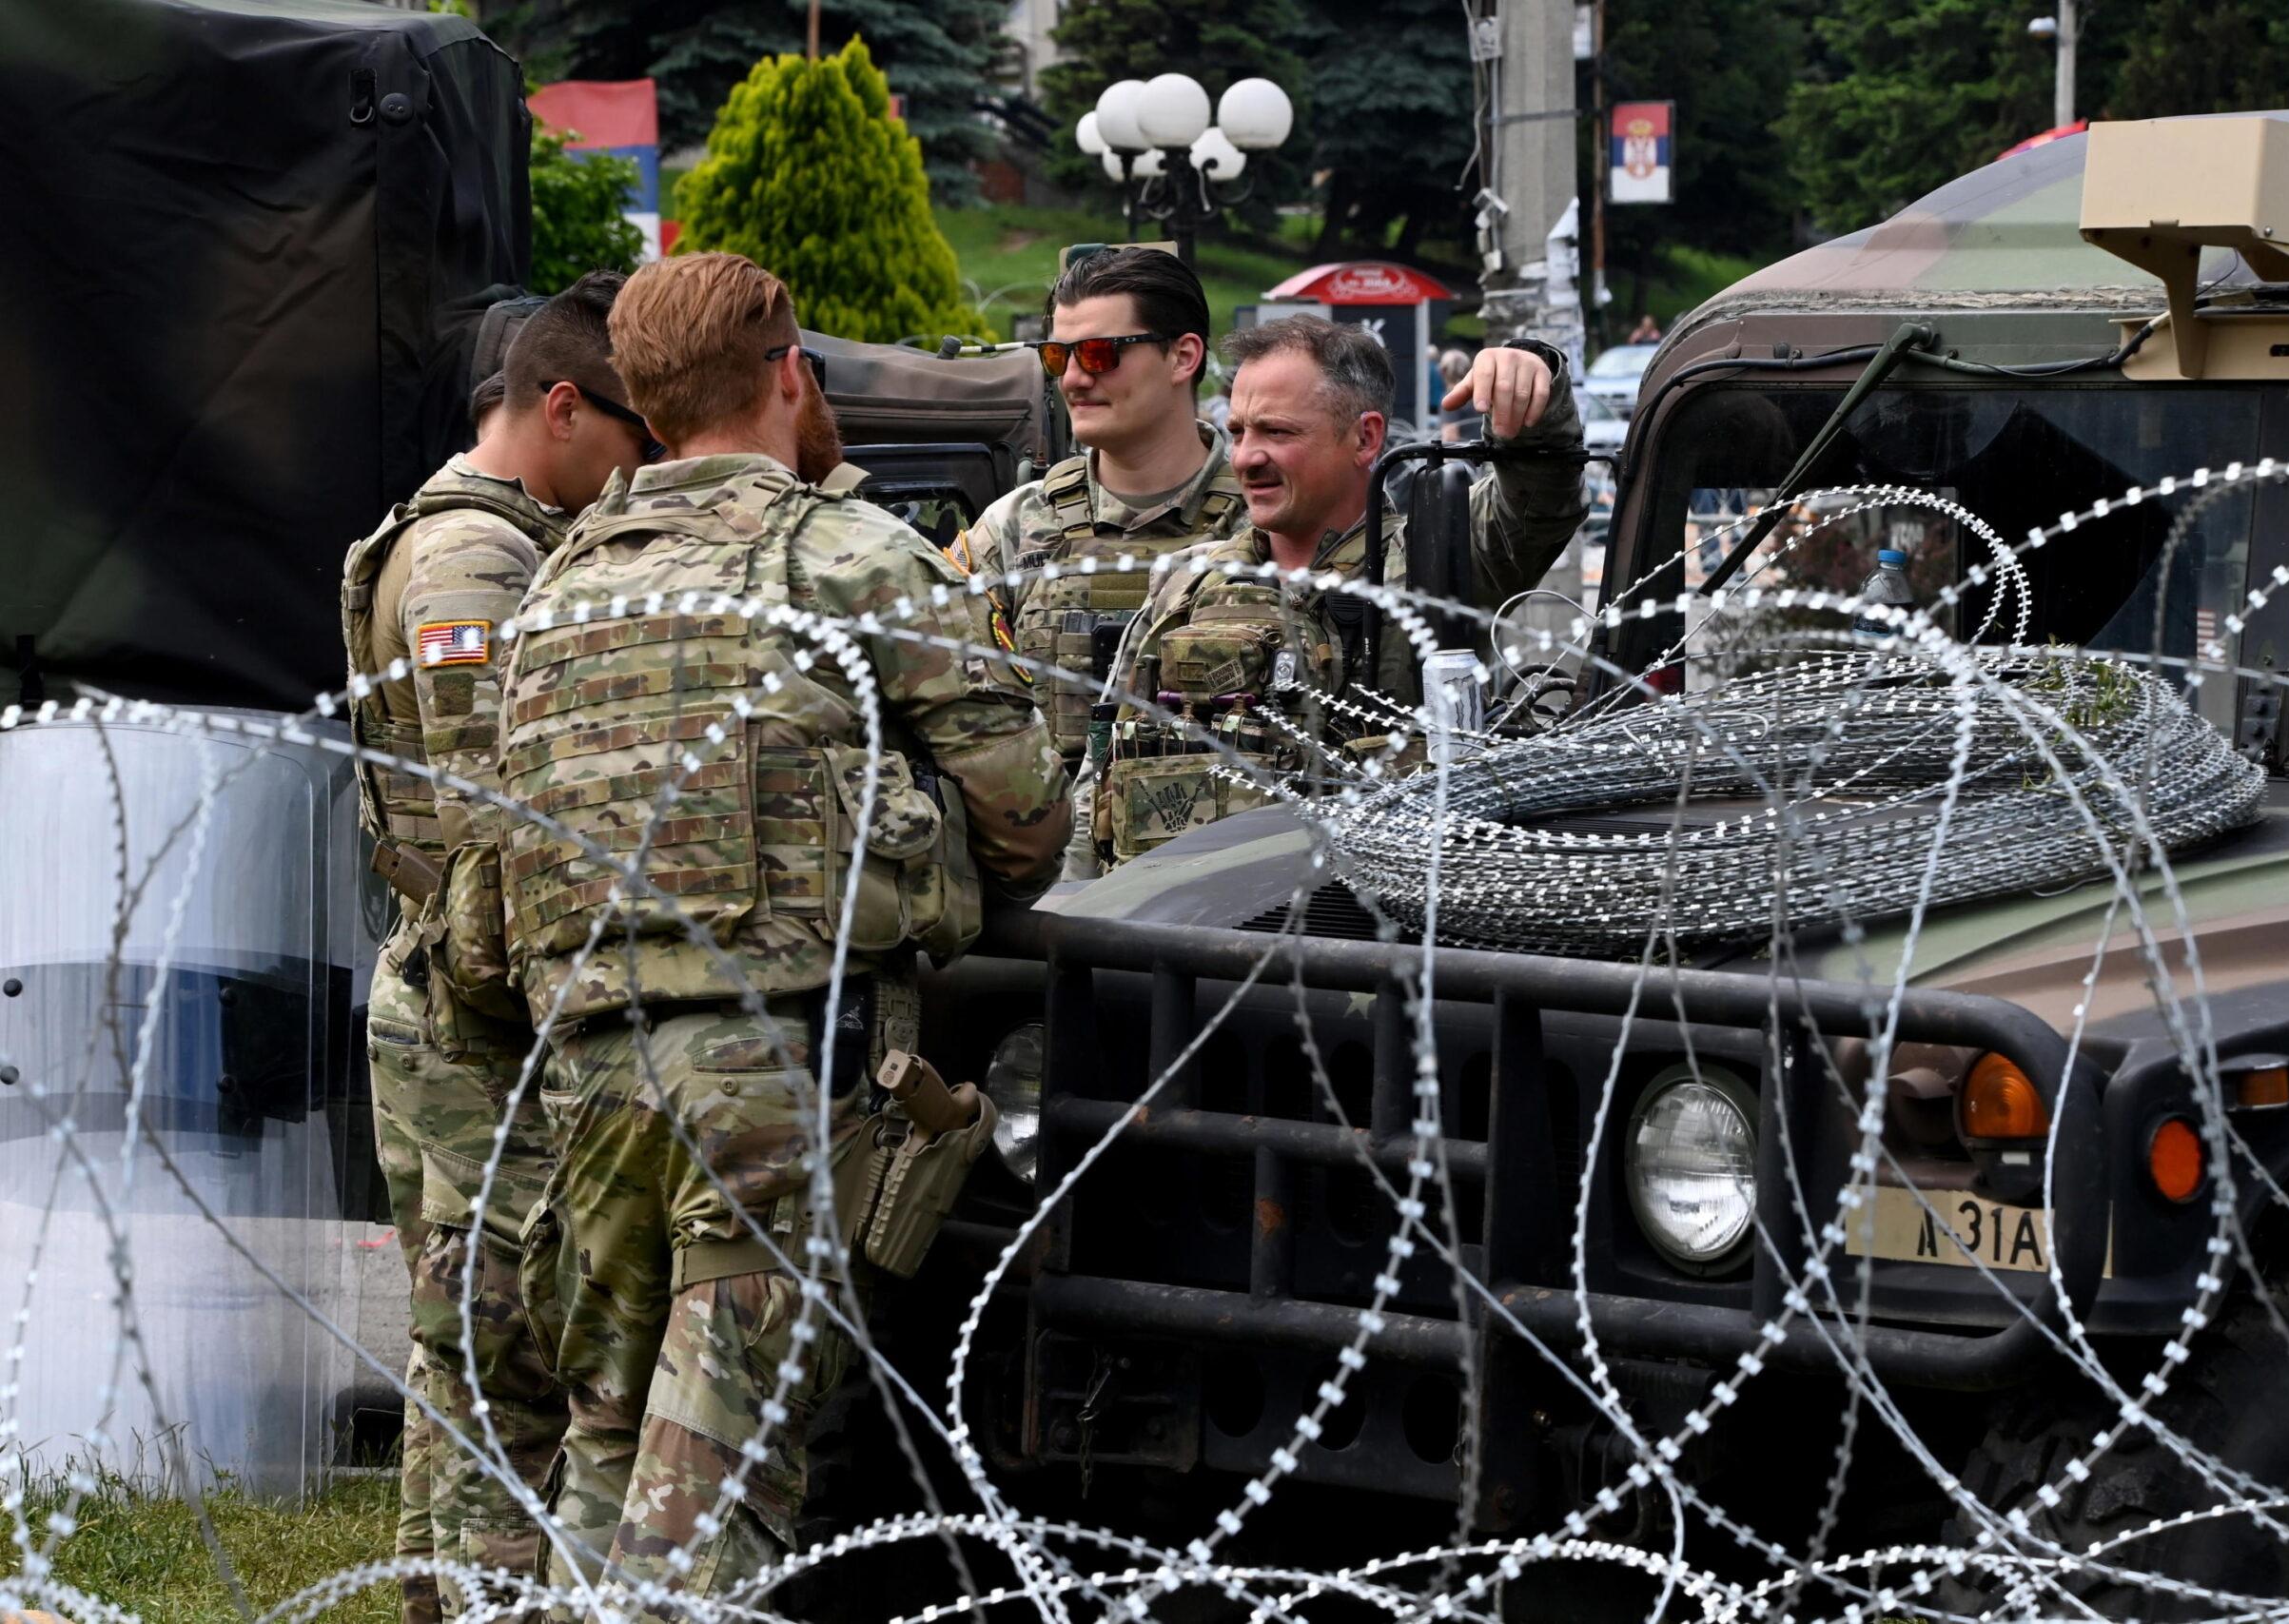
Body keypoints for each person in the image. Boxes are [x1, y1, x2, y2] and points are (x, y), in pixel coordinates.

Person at [496, 251, 1068, 1614]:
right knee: (713, 1506)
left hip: (583, 1078)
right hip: (769, 1079)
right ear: (787, 374)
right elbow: (1029, 815)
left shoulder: (561, 586)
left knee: (607, 1449)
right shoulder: (843, 554)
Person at [340, 270, 649, 1624]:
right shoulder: (478, 557)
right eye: (635, 439)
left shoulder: (504, 537)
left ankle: (442, 1595)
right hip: (473, 1008)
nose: (642, 474)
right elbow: (494, 815)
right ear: (565, 405)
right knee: (504, 1335)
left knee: (463, 1340)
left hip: (457, 993)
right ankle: (485, 1597)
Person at [1097, 315, 1586, 864]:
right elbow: (1109, 772)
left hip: (1360, 928)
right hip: (1192, 923)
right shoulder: (1190, 583)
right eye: (1238, 431)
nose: (1245, 458)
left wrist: (1533, 381)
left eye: (1277, 432)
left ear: (1365, 437)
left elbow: (1541, 502)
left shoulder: (1438, 562)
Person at [953, 247, 1247, 770]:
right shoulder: (1015, 529)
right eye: (1057, 356)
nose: (1072, 379)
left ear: (1183, 356)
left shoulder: (1264, 522)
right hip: (1057, 843)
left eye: (1098, 353)